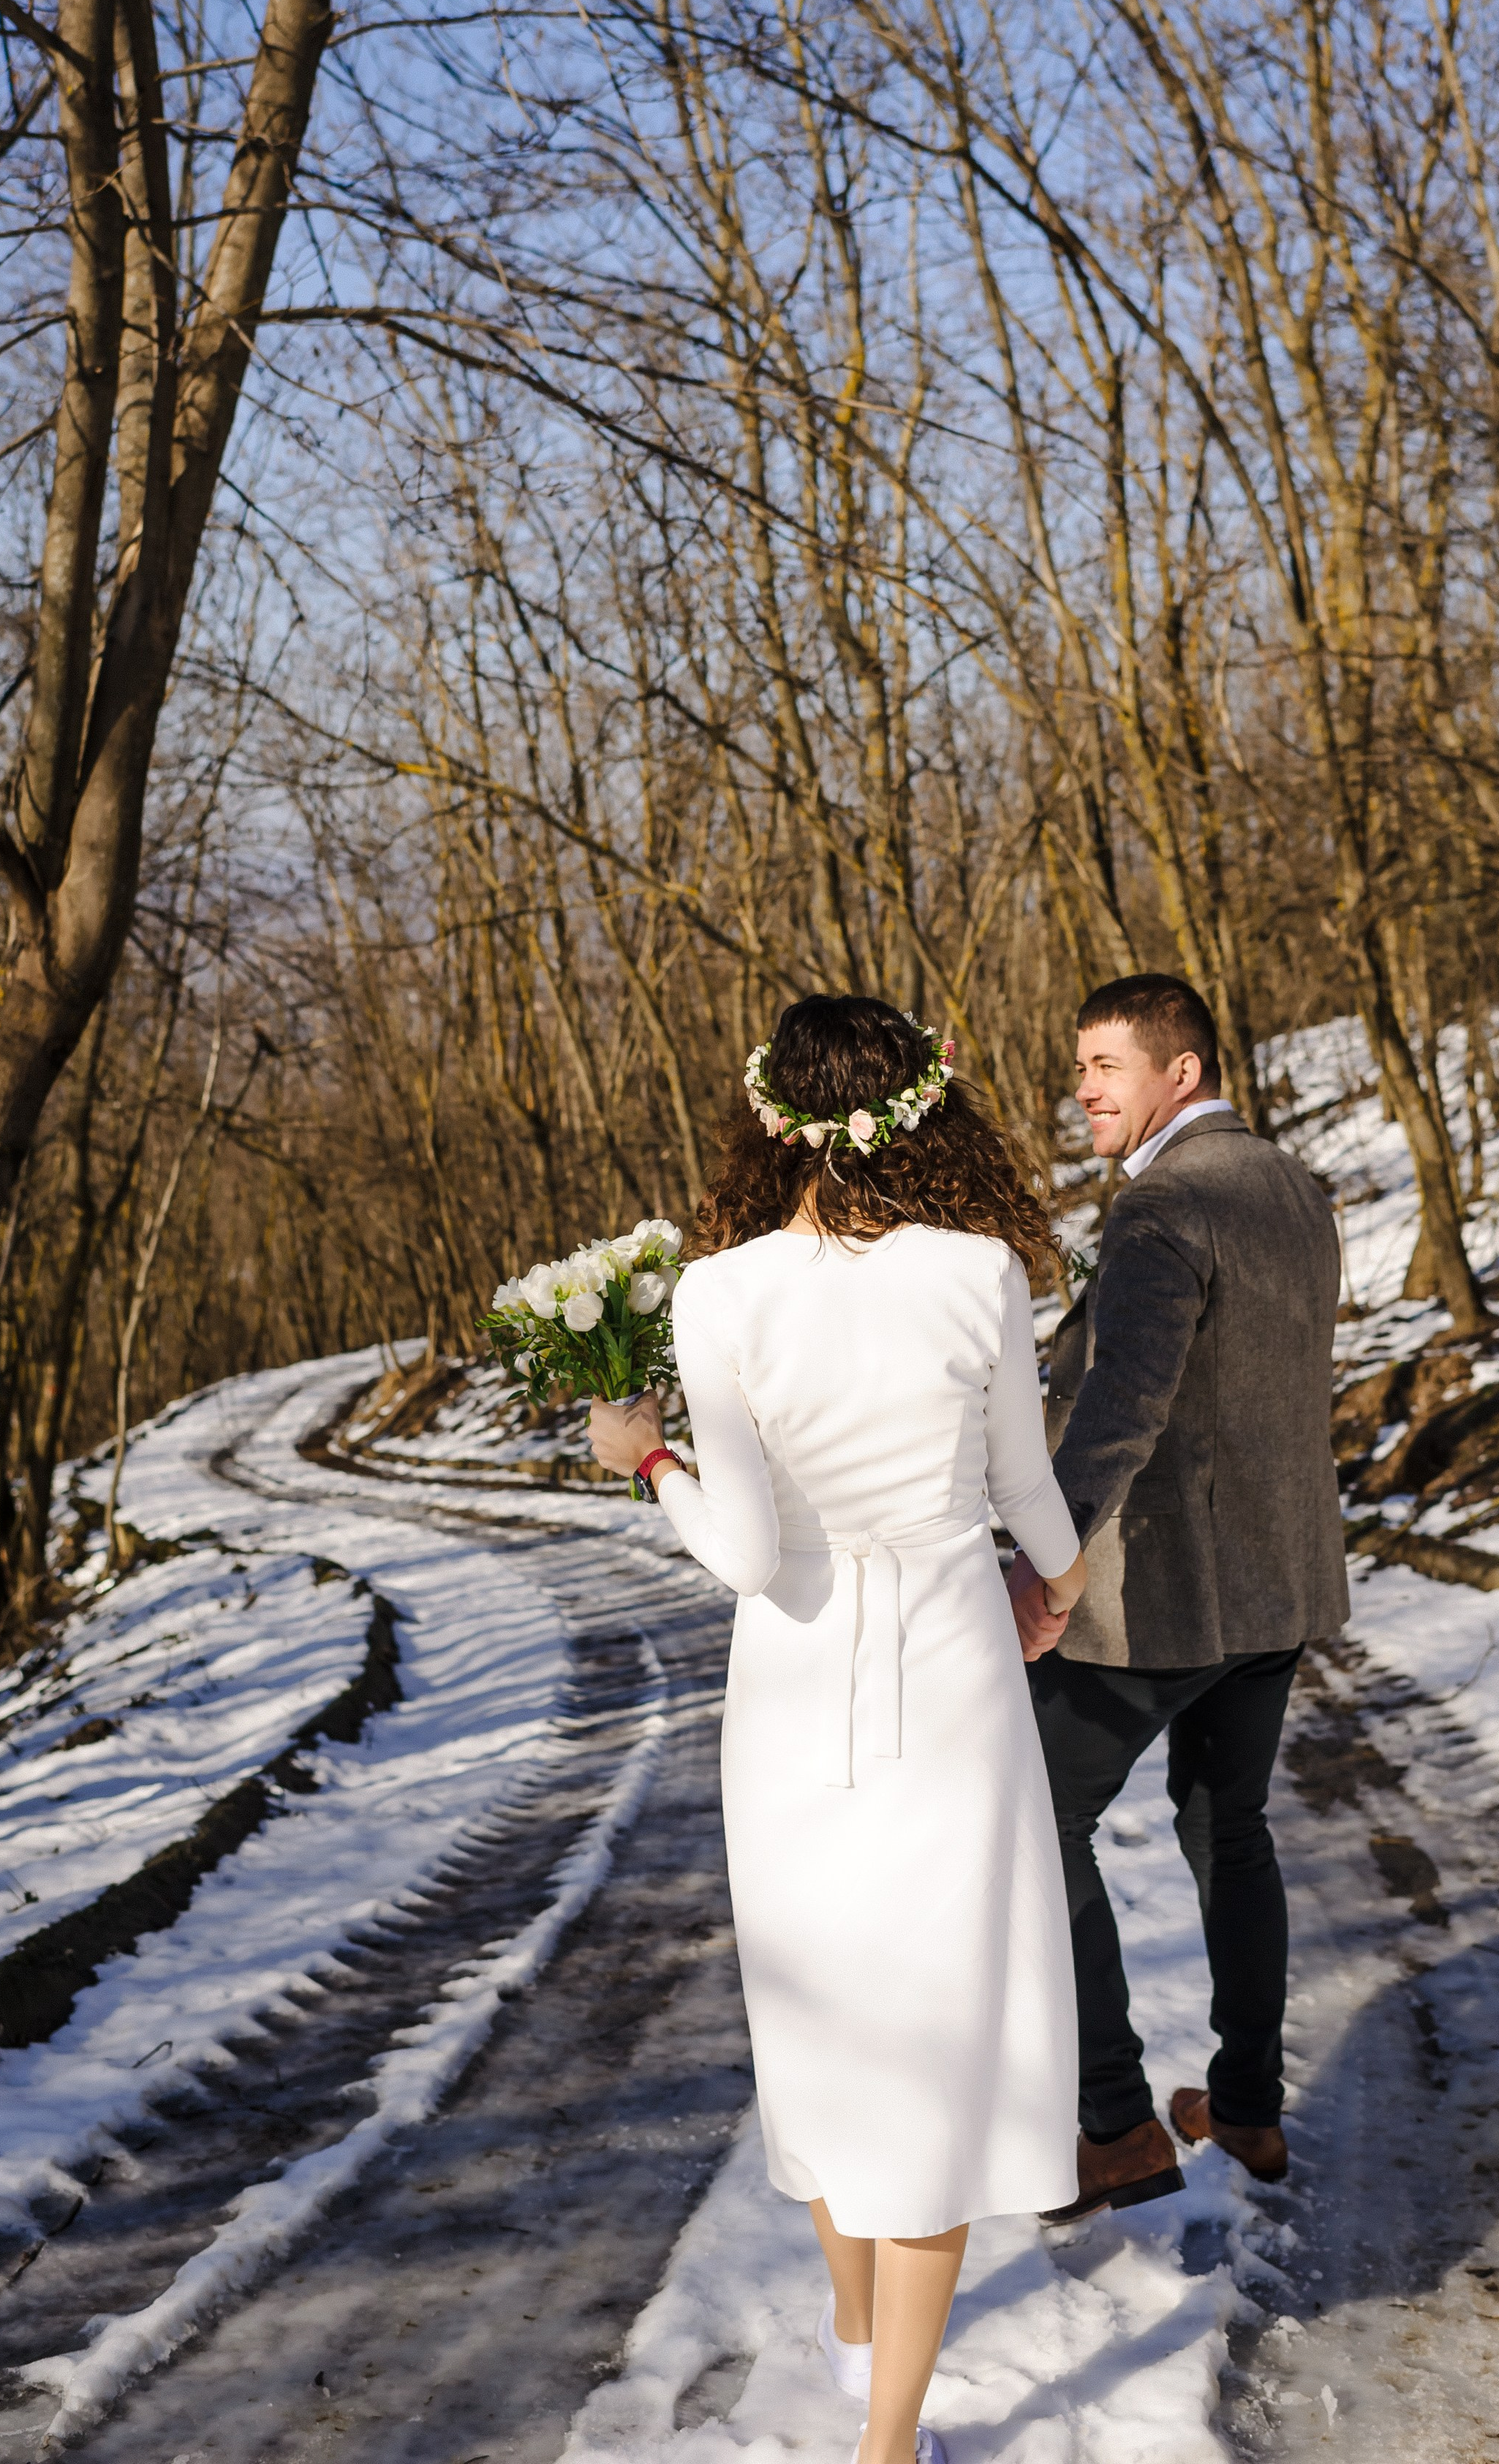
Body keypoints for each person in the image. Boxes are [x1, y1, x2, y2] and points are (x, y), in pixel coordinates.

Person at [589, 997, 1087, 2464]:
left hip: (795, 1691)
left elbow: (742, 1554)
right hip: (952, 1677)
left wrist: (650, 1458)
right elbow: (1033, 1497)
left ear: (765, 1116)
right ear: (924, 1110)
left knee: (819, 2008)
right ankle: (887, 2435)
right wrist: (1047, 1589)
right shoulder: (979, 1270)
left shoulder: (720, 1292)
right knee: (934, 2023)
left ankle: (859, 2324)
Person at [1007, 973, 1348, 2223]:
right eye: (1080, 1064)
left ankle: (1112, 2128)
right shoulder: (1291, 1187)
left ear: (1181, 1074)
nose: (1082, 1088)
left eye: (1104, 1064)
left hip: (1161, 1598)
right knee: (1231, 1833)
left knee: (1036, 1821)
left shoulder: (1162, 1208)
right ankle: (1246, 2108)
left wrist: (1047, 1557)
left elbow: (1122, 1408)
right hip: (1279, 1580)